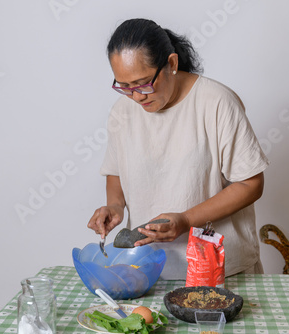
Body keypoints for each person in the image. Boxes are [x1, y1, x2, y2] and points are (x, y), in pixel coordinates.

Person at [87, 18, 269, 280]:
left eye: (143, 82)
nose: (137, 96)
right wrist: (114, 207)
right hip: (148, 271)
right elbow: (117, 170)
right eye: (125, 87)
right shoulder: (122, 111)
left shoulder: (217, 102)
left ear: (171, 64)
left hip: (220, 271)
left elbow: (250, 184)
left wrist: (186, 220)